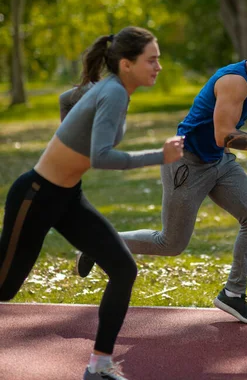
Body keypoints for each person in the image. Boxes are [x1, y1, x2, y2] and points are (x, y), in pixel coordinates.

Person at [77, 33, 247, 325]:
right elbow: (223, 135)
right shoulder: (234, 82)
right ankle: (97, 244)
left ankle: (233, 294)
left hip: (219, 162)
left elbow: (220, 140)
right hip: (186, 165)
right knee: (170, 244)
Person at [0, 26, 184, 380]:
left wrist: (69, 136)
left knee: (123, 268)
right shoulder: (112, 92)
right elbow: (101, 157)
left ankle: (99, 366)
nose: (159, 66)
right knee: (4, 288)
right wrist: (159, 156)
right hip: (36, 195)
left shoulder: (113, 89)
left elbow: (68, 99)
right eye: (153, 59)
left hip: (68, 197)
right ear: (127, 64)